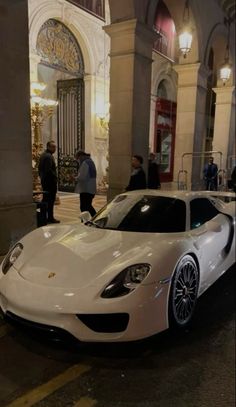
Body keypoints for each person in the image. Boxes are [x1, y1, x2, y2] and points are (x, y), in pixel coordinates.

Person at [38, 140, 60, 224]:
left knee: (46, 199)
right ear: (48, 147)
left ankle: (44, 217)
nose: (54, 148)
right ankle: (50, 217)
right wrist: (55, 177)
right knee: (50, 200)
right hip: (50, 182)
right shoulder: (48, 156)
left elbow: (40, 170)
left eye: (55, 147)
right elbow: (48, 170)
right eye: (53, 147)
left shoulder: (44, 155)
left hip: (45, 181)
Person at [75, 150, 97, 217]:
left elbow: (82, 177)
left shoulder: (85, 163)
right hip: (91, 188)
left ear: (80, 156)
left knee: (84, 207)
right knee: (88, 206)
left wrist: (74, 178)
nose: (78, 160)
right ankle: (94, 218)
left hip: (86, 189)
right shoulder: (90, 161)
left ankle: (90, 219)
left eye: (77, 158)